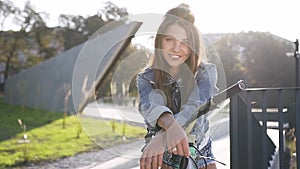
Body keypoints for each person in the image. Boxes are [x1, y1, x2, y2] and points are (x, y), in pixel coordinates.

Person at [136, 4, 219, 169]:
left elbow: (197, 107)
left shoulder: (206, 72)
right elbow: (152, 106)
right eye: (169, 40)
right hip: (162, 157)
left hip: (200, 153)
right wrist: (170, 127)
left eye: (185, 42)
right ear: (159, 41)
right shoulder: (145, 78)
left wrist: (162, 135)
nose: (176, 48)